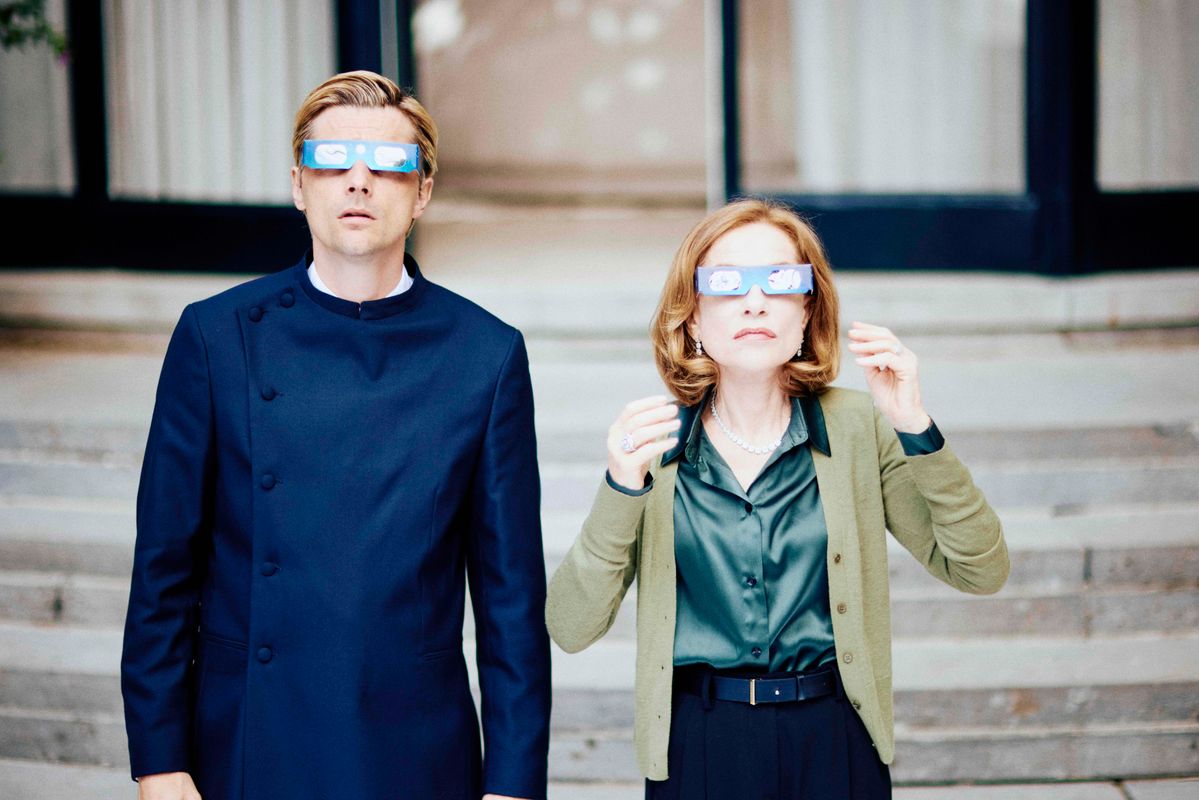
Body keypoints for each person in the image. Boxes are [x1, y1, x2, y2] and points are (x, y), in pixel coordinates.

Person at [121, 71, 550, 800]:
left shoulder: (486, 354)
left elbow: (510, 602)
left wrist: (511, 784)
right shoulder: (216, 336)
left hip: (414, 750)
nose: (359, 182)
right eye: (332, 161)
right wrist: (160, 763)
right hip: (248, 741)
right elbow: (164, 568)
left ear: (422, 192)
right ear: (298, 185)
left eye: (387, 163)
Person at [545, 199, 1009, 799]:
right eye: (727, 283)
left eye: (781, 280)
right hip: (701, 745)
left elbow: (980, 569)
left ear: (807, 311)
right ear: (692, 317)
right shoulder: (654, 445)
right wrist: (620, 488)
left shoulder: (858, 427)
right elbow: (571, 626)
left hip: (835, 739)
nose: (755, 301)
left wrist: (915, 425)